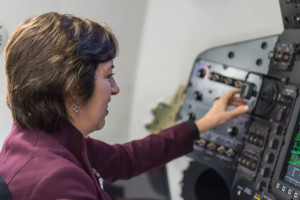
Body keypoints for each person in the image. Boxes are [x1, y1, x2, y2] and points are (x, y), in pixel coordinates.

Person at [0, 12, 249, 200]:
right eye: (108, 76)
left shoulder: (43, 137)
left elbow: (125, 159)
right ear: (73, 89)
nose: (116, 88)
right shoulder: (55, 181)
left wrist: (204, 124)